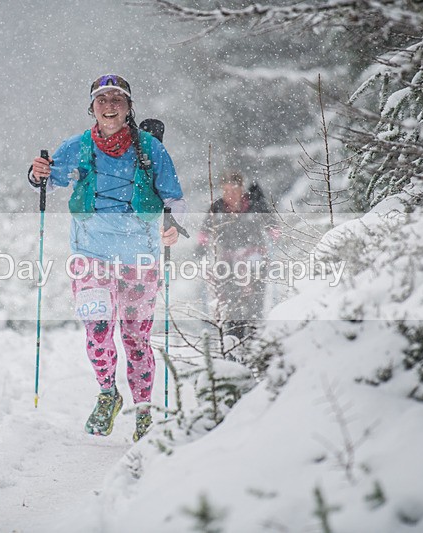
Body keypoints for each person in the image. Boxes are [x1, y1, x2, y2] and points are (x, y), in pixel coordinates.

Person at [29, 74, 185, 442]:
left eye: (117, 98)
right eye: (102, 99)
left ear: (129, 107)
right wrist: (38, 174)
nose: (109, 104)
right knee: (98, 328)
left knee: (135, 339)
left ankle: (144, 411)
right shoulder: (77, 146)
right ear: (92, 107)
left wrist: (174, 226)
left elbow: (175, 199)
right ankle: (107, 393)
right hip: (90, 254)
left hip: (140, 256)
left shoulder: (150, 149)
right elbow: (49, 179)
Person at [197, 170, 274, 339]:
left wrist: (265, 212)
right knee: (232, 306)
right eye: (226, 191)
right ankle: (233, 339)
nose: (229, 195)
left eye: (234, 191)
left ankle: (254, 341)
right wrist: (201, 248)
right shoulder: (217, 207)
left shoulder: (254, 204)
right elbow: (204, 232)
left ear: (241, 190)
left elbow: (274, 228)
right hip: (228, 263)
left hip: (254, 259)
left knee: (254, 306)